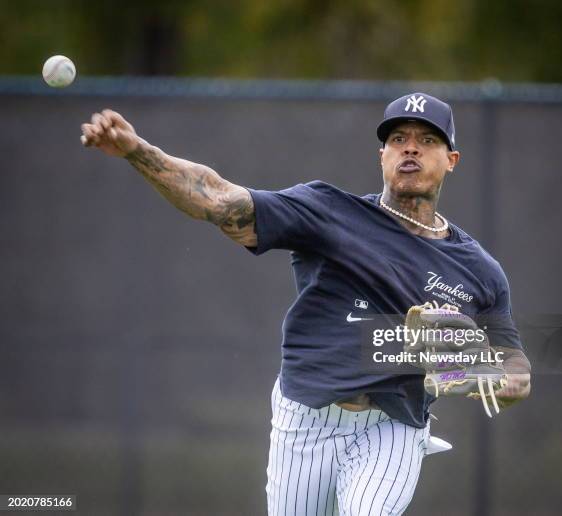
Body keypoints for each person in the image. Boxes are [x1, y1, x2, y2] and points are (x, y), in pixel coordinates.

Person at [81, 92, 531, 515]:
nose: (409, 149)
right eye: (398, 139)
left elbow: (517, 375)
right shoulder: (330, 213)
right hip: (306, 420)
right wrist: (137, 150)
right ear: (382, 155)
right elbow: (218, 198)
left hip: (392, 430)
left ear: (451, 160)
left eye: (427, 140)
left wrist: (464, 372)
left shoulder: (479, 270)